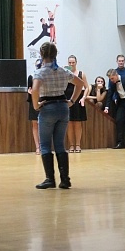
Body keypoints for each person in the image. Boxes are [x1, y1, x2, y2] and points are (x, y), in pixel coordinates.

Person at [32, 42, 83, 190]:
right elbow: (80, 84)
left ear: (41, 55)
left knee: (45, 144)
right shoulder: (62, 71)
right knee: (60, 144)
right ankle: (65, 179)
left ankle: (50, 179)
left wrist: (36, 105)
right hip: (63, 107)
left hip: (47, 107)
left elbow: (35, 90)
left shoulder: (40, 72)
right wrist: (72, 101)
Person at [104, 66, 125, 149]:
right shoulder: (112, 83)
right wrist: (107, 107)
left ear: (116, 75)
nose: (111, 80)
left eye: (112, 78)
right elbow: (110, 94)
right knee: (119, 120)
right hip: (121, 102)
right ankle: (120, 142)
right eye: (110, 79)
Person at [65, 55, 89, 153]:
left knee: (78, 123)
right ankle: (71, 145)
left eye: (73, 62)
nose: (71, 64)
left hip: (78, 99)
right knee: (69, 123)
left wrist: (84, 97)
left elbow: (87, 87)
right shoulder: (65, 73)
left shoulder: (81, 74)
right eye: (70, 62)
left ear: (76, 63)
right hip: (67, 99)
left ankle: (78, 145)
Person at [27, 73, 40, 154]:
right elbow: (29, 90)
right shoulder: (31, 76)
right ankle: (37, 147)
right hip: (33, 102)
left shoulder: (44, 75)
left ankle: (43, 146)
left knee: (44, 125)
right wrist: (31, 92)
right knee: (35, 124)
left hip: (44, 101)